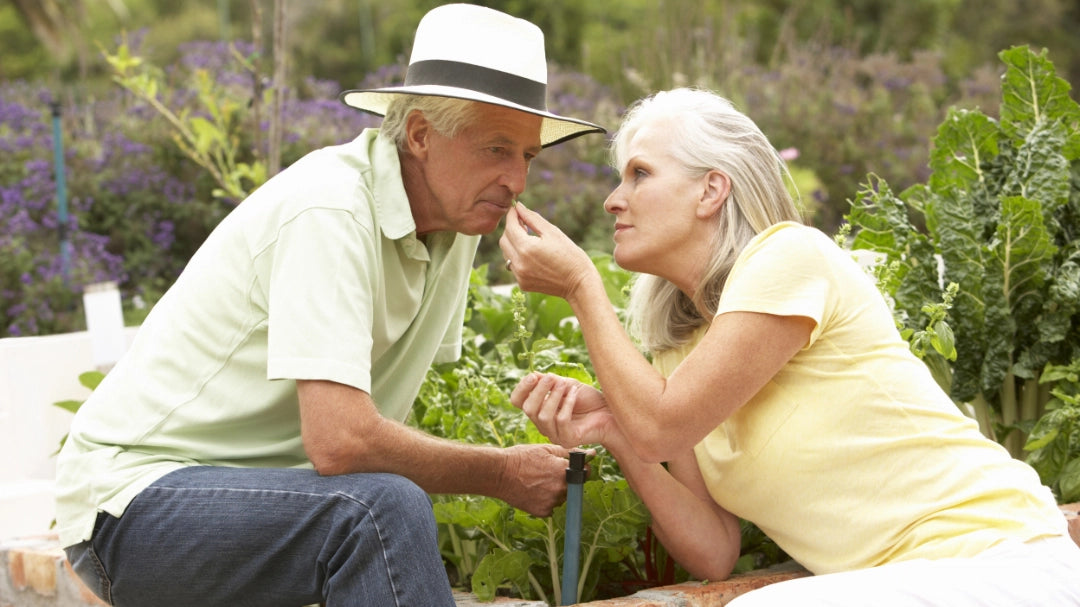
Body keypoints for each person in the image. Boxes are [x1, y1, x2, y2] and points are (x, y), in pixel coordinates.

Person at [54, 4, 605, 606]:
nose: (517, 181)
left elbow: (379, 428)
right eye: (497, 149)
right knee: (379, 511)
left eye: (527, 156)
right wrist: (501, 473)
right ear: (420, 134)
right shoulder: (331, 209)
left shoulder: (458, 225)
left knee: (380, 508)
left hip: (265, 499)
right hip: (136, 505)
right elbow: (341, 442)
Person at [500, 87, 1080, 605]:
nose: (612, 200)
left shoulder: (791, 258)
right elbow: (712, 550)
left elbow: (663, 425)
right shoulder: (678, 351)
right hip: (907, 584)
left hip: (1001, 561)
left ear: (711, 190)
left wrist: (581, 285)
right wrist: (617, 433)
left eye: (640, 174)